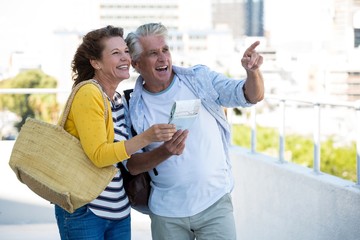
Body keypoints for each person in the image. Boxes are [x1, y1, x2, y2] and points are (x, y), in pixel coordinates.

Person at [125, 22, 264, 240]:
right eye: (153, 53)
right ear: (136, 63)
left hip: (215, 204)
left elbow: (249, 95)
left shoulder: (199, 80)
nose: (163, 58)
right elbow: (132, 165)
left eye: (165, 50)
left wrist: (252, 72)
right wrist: (166, 151)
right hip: (167, 214)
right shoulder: (132, 106)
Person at [54, 25, 180, 240]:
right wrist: (146, 137)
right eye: (115, 53)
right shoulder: (89, 93)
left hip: (118, 210)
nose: (125, 58)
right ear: (96, 62)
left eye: (126, 51)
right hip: (86, 209)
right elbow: (99, 155)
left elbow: (123, 158)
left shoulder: (118, 100)